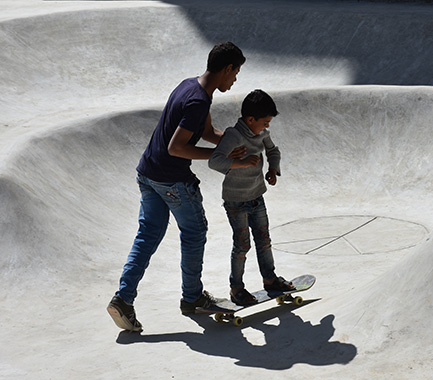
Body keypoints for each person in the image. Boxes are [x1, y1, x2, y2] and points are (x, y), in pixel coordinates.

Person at [107, 42, 246, 332]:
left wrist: (233, 143)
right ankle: (192, 297)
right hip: (172, 180)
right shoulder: (198, 102)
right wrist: (217, 156)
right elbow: (177, 148)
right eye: (235, 74)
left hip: (147, 174)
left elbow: (207, 132)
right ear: (227, 69)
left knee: (147, 235)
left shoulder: (191, 87)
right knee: (195, 231)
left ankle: (123, 299)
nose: (235, 80)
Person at [208, 89, 295, 306]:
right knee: (242, 245)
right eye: (264, 122)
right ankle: (236, 288)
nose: (267, 127)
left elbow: (274, 151)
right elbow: (214, 161)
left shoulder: (262, 134)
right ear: (250, 119)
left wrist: (273, 170)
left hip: (257, 197)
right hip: (236, 202)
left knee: (264, 241)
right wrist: (241, 163)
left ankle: (270, 279)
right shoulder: (233, 136)